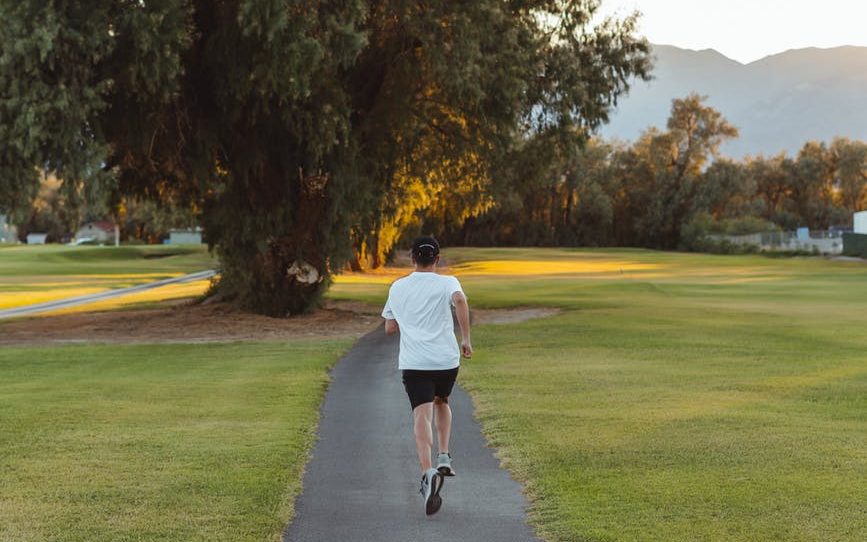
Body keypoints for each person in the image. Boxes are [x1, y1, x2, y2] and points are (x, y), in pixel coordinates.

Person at [381, 236, 473, 516]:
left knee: (422, 414)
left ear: (412, 259)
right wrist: (466, 338)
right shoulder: (448, 283)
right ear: (437, 258)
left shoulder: (398, 286)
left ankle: (427, 472)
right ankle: (444, 455)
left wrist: (406, 321)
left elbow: (389, 328)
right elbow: (459, 299)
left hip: (415, 362)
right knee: (442, 400)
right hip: (446, 360)